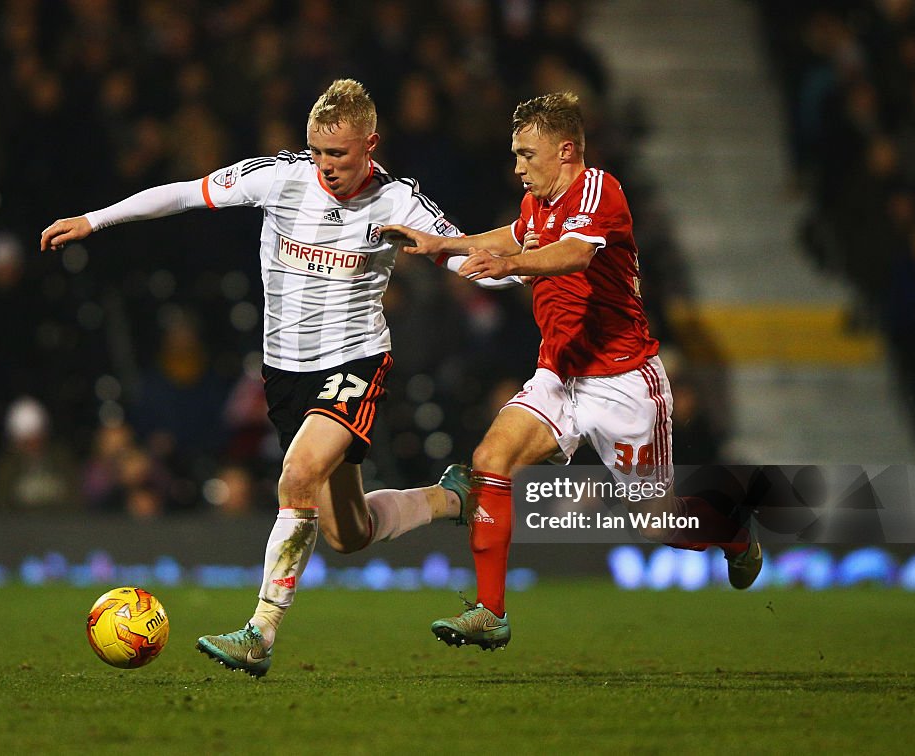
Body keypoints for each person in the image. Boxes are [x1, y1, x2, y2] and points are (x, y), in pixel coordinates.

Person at [41, 79, 486, 677]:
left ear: (370, 145)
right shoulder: (279, 178)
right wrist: (96, 220)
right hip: (285, 373)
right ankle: (449, 496)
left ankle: (261, 633)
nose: (327, 167)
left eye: (341, 154)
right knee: (345, 533)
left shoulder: (399, 200)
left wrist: (522, 268)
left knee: (297, 475)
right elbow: (185, 193)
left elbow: (467, 256)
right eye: (319, 151)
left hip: (353, 363)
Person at [382, 92, 762, 651]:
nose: (517, 167)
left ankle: (733, 533)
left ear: (565, 151)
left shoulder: (600, 190)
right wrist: (445, 244)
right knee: (491, 460)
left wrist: (510, 264)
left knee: (658, 524)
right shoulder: (539, 204)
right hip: (559, 375)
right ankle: (490, 612)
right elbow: (513, 236)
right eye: (514, 155)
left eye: (526, 154)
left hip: (625, 382)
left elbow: (575, 254)